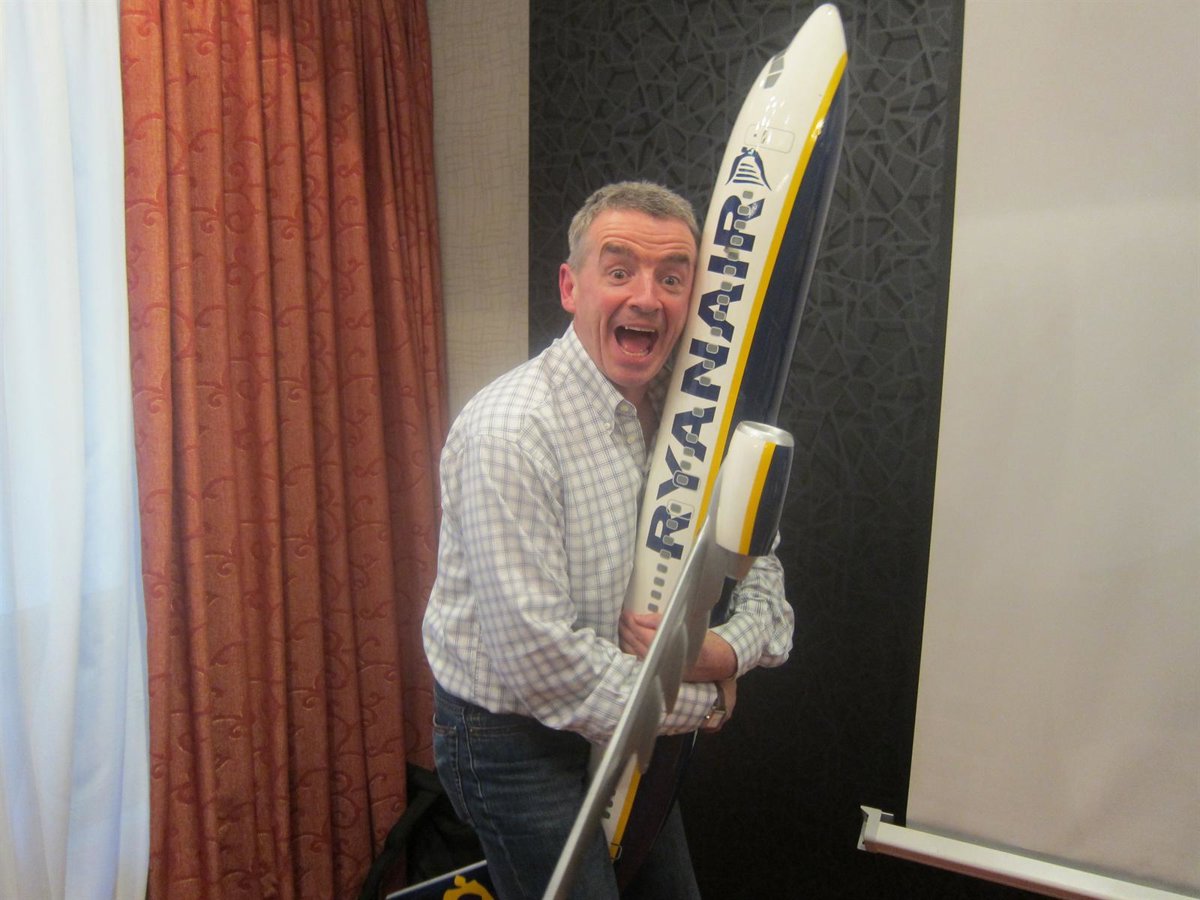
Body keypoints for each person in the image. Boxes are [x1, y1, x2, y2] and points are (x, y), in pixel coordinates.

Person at [422, 181, 794, 899]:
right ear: (571, 287)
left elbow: (764, 574)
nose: (646, 298)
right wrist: (711, 701)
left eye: (672, 278)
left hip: (626, 710)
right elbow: (547, 668)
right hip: (514, 739)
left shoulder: (697, 416)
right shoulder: (510, 432)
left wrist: (722, 653)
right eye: (619, 270)